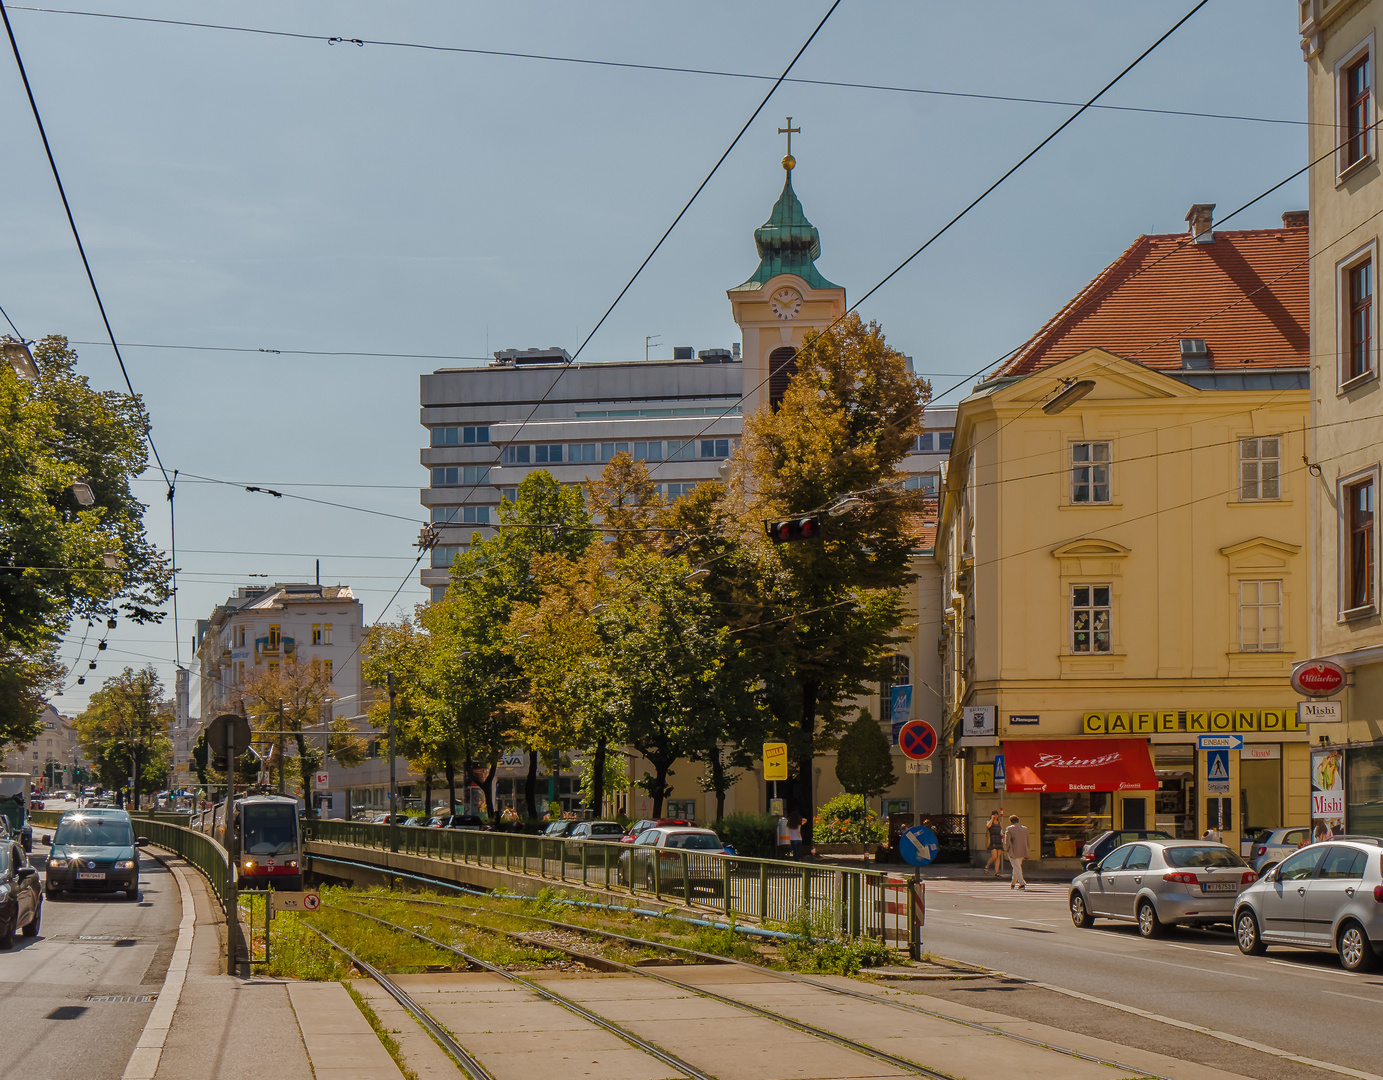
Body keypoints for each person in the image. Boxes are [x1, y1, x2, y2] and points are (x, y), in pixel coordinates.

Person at [1002, 814, 1030, 890]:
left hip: (1013, 851)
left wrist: (1006, 849)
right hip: (1023, 851)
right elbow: (1027, 841)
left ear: (1010, 821)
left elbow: (1007, 841)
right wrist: (1027, 852)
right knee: (1017, 867)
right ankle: (1013, 883)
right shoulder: (1025, 829)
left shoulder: (1009, 828)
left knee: (1016, 867)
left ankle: (1021, 883)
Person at [984, 811, 1004, 876]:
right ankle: (987, 866)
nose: (995, 816)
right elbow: (988, 826)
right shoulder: (989, 822)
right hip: (992, 839)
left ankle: (996, 872)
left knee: (998, 856)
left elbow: (1001, 831)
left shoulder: (999, 823)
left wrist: (1002, 838)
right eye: (994, 815)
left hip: (998, 839)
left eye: (996, 815)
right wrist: (992, 819)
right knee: (994, 856)